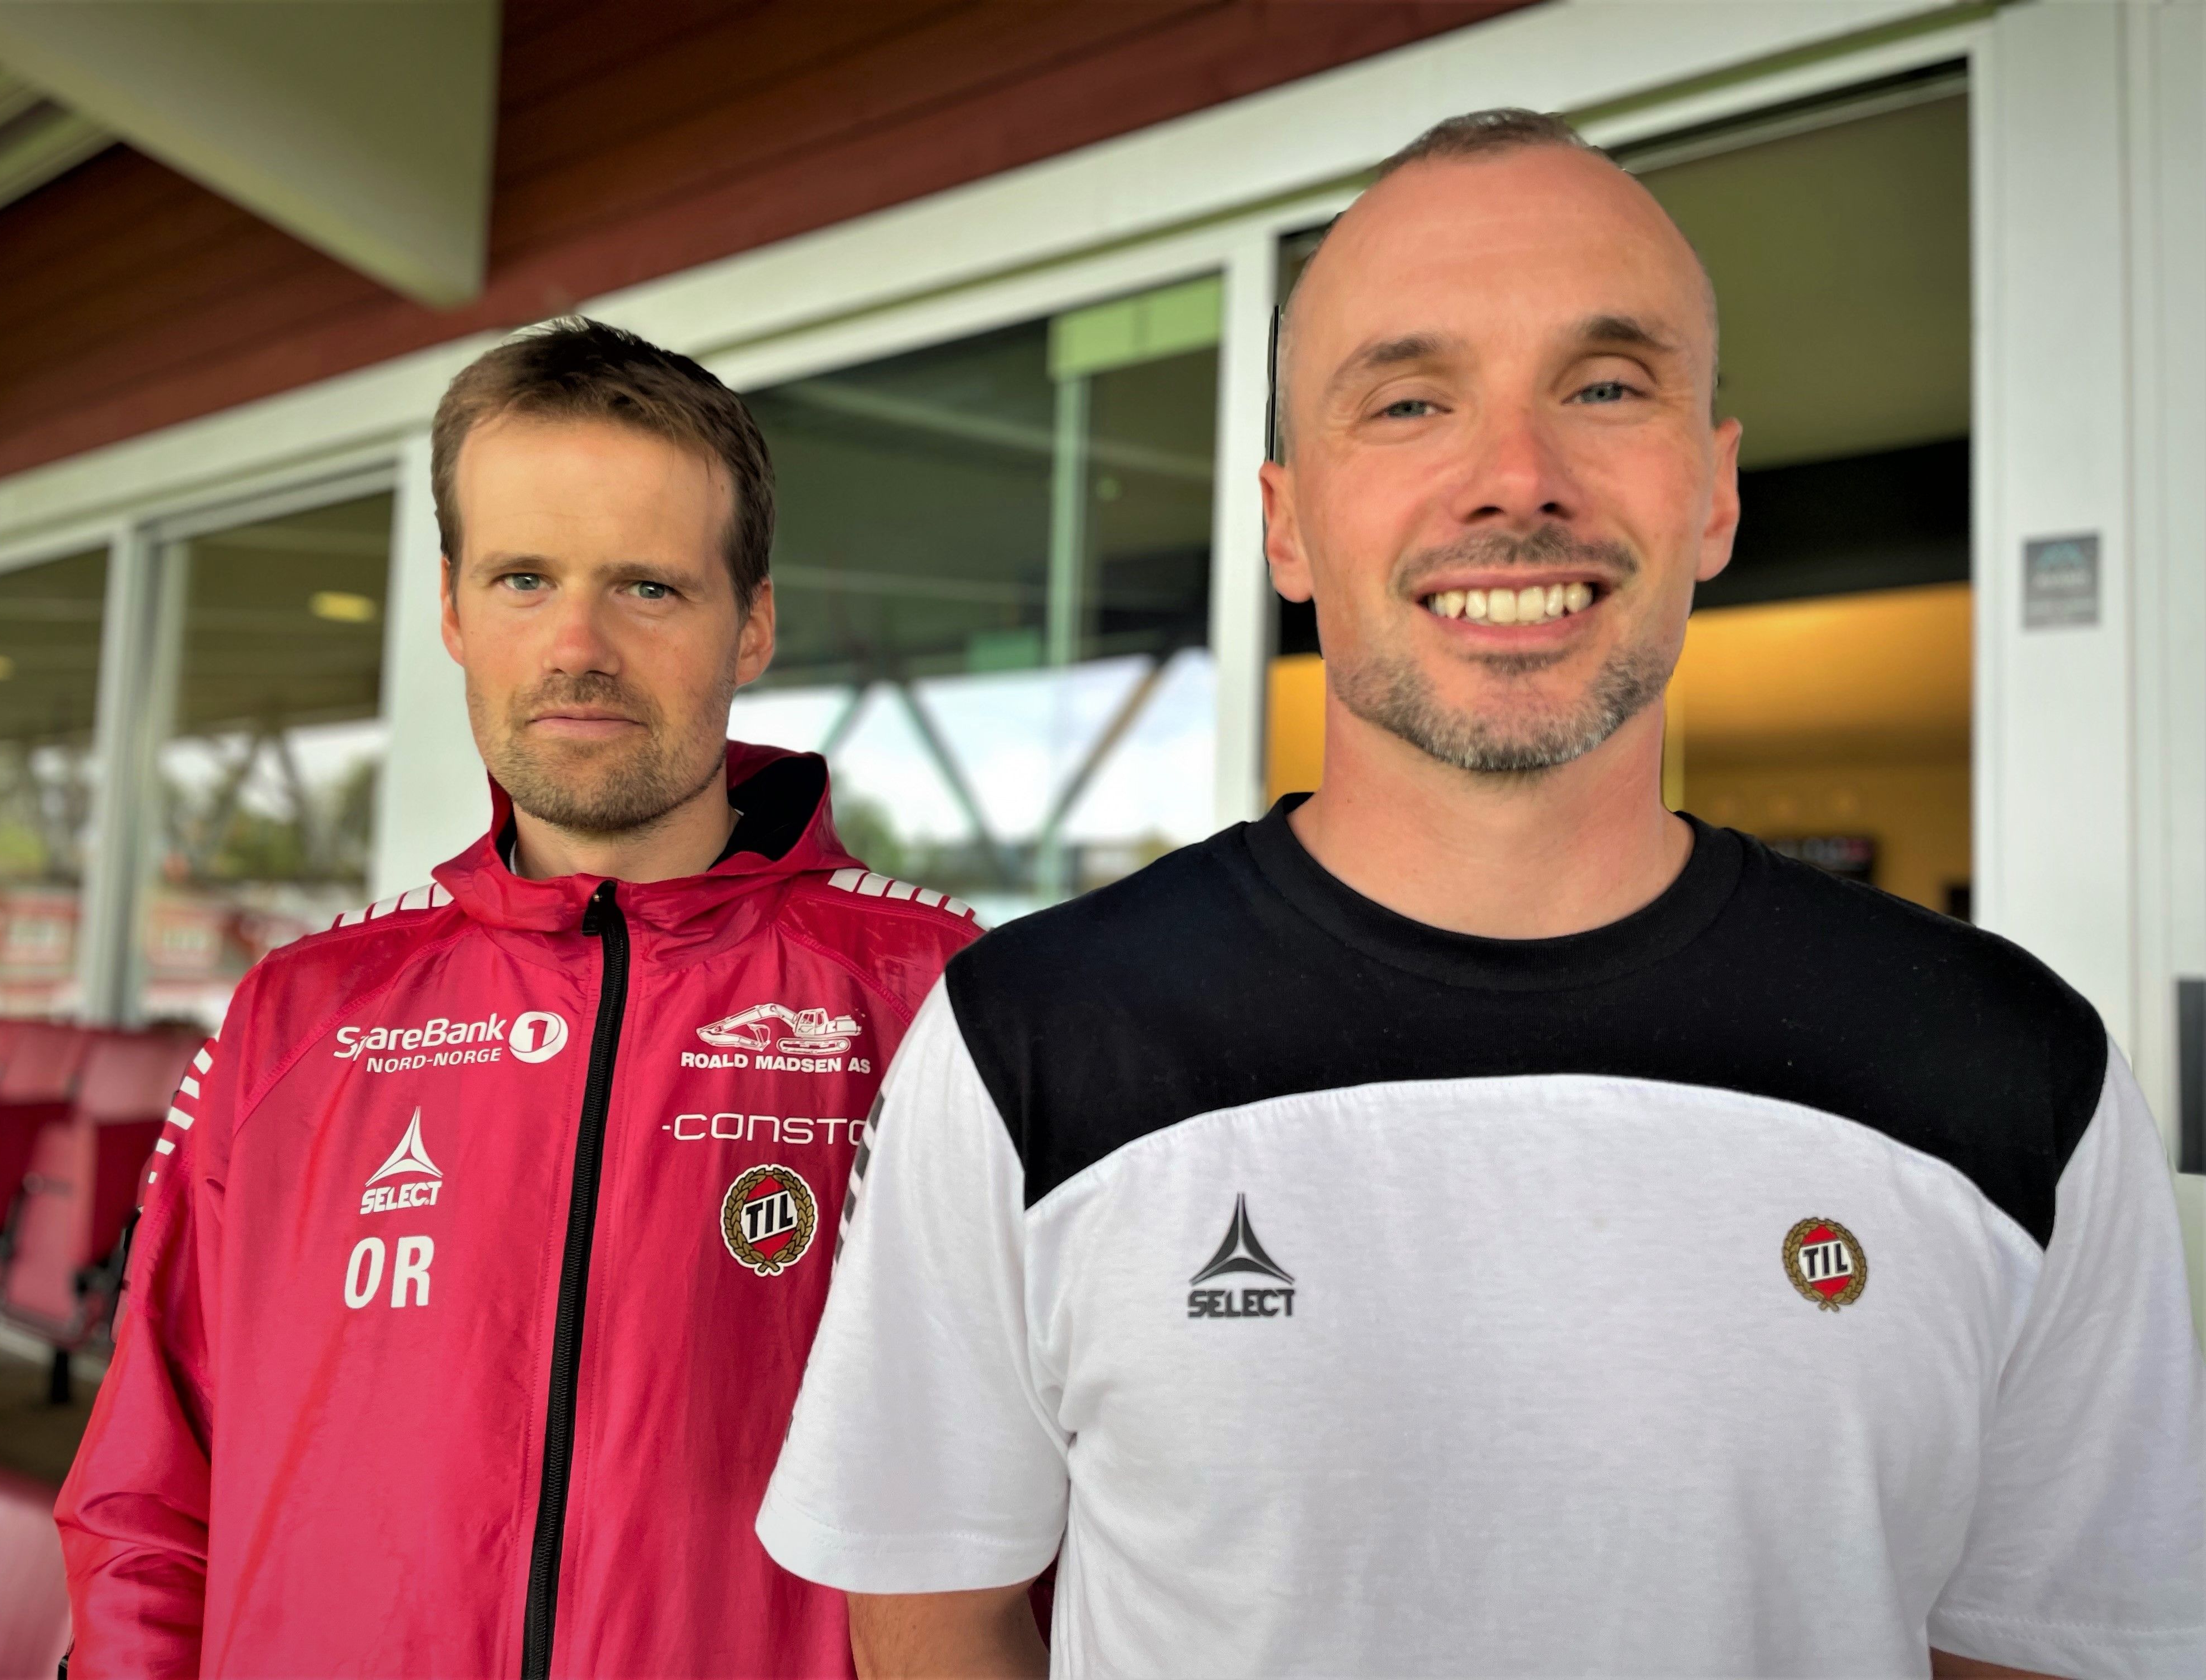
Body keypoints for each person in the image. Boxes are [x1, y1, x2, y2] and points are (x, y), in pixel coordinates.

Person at [754, 112, 2205, 1679]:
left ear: (1715, 492)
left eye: (1606, 386)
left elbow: (2047, 1648)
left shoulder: (2014, 1073)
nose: (1517, 478)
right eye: (1409, 401)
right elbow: (939, 1606)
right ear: (1287, 522)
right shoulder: (1027, 1040)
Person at [57, 318, 979, 1678]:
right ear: (452, 609)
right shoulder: (296, 1019)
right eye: (525, 578)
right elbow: (147, 1499)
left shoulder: (943, 1003)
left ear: (753, 625)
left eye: (648, 588)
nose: (576, 645)